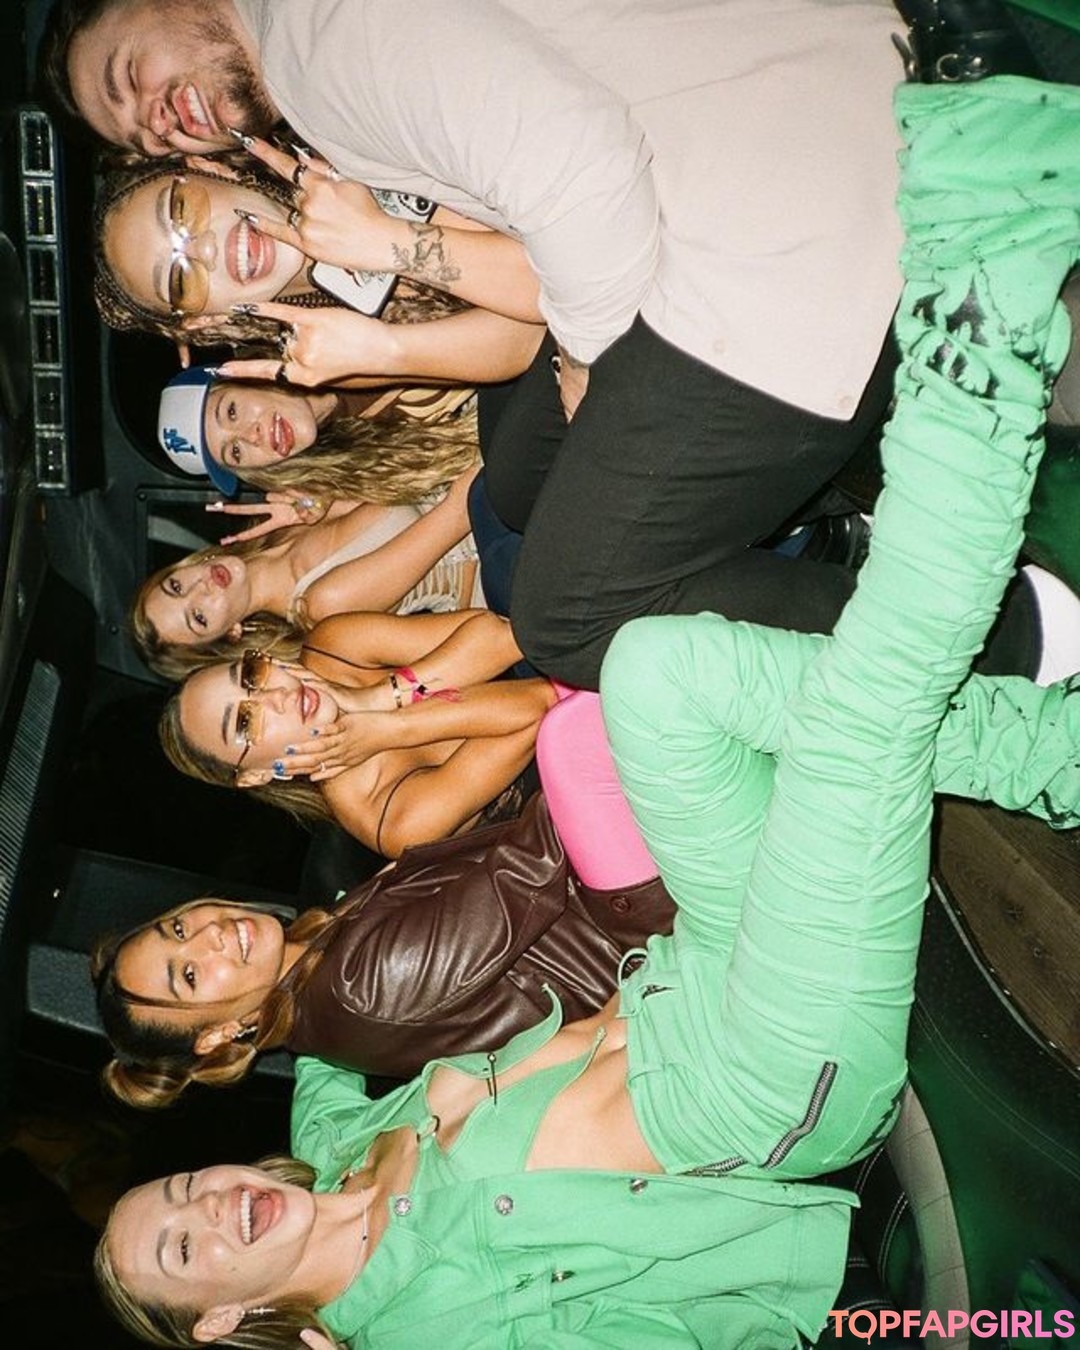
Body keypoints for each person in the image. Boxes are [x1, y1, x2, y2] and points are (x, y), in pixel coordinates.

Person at [91, 71, 1080, 1350]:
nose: (212, 1207)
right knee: (840, 724)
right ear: (221, 1320)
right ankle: (989, 275)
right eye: (186, 1250)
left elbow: (304, 1028)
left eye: (182, 1189)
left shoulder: (333, 1129)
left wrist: (265, 966)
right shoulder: (427, 1322)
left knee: (662, 665)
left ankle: (1051, 751)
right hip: (754, 1078)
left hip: (684, 960)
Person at [49, 0, 916, 686]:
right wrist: (377, 350)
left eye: (129, 76)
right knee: (518, 482)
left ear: (203, 177)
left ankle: (959, 643)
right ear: (203, 322)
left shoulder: (319, 55)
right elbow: (532, 303)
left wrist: (586, 370)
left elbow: (578, 215)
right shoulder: (312, 135)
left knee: (563, 619)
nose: (159, 119)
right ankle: (842, 495)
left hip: (788, 206)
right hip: (744, 165)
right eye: (177, 276)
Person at [91, 787, 675, 1108]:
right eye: (190, 976)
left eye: (177, 929)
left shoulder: (320, 953)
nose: (208, 936)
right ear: (220, 1035)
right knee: (583, 714)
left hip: (607, 890)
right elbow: (526, 873)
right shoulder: (353, 992)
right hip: (632, 917)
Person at [93, 151, 544, 385]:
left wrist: (383, 239)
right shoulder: (320, 350)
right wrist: (386, 349)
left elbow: (551, 272)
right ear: (205, 319)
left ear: (209, 169)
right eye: (179, 279)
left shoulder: (342, 153)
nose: (205, 249)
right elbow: (526, 343)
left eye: (182, 209)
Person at [159, 610, 556, 856]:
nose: (273, 696)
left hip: (566, 656)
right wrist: (389, 729)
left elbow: (506, 635)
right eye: (245, 722)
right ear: (256, 774)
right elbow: (538, 704)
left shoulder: (333, 646)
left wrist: (374, 699)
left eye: (251, 675)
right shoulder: (385, 817)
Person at [131, 463, 484, 680]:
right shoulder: (322, 605)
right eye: (198, 617)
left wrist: (321, 496)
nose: (200, 590)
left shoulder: (277, 522)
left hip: (475, 485)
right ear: (232, 634)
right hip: (492, 548)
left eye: (176, 586)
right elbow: (456, 515)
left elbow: (401, 470)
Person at [156, 365, 477, 512]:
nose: (251, 436)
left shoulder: (334, 331)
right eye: (235, 452)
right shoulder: (357, 467)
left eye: (231, 412)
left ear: (245, 377)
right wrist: (322, 502)